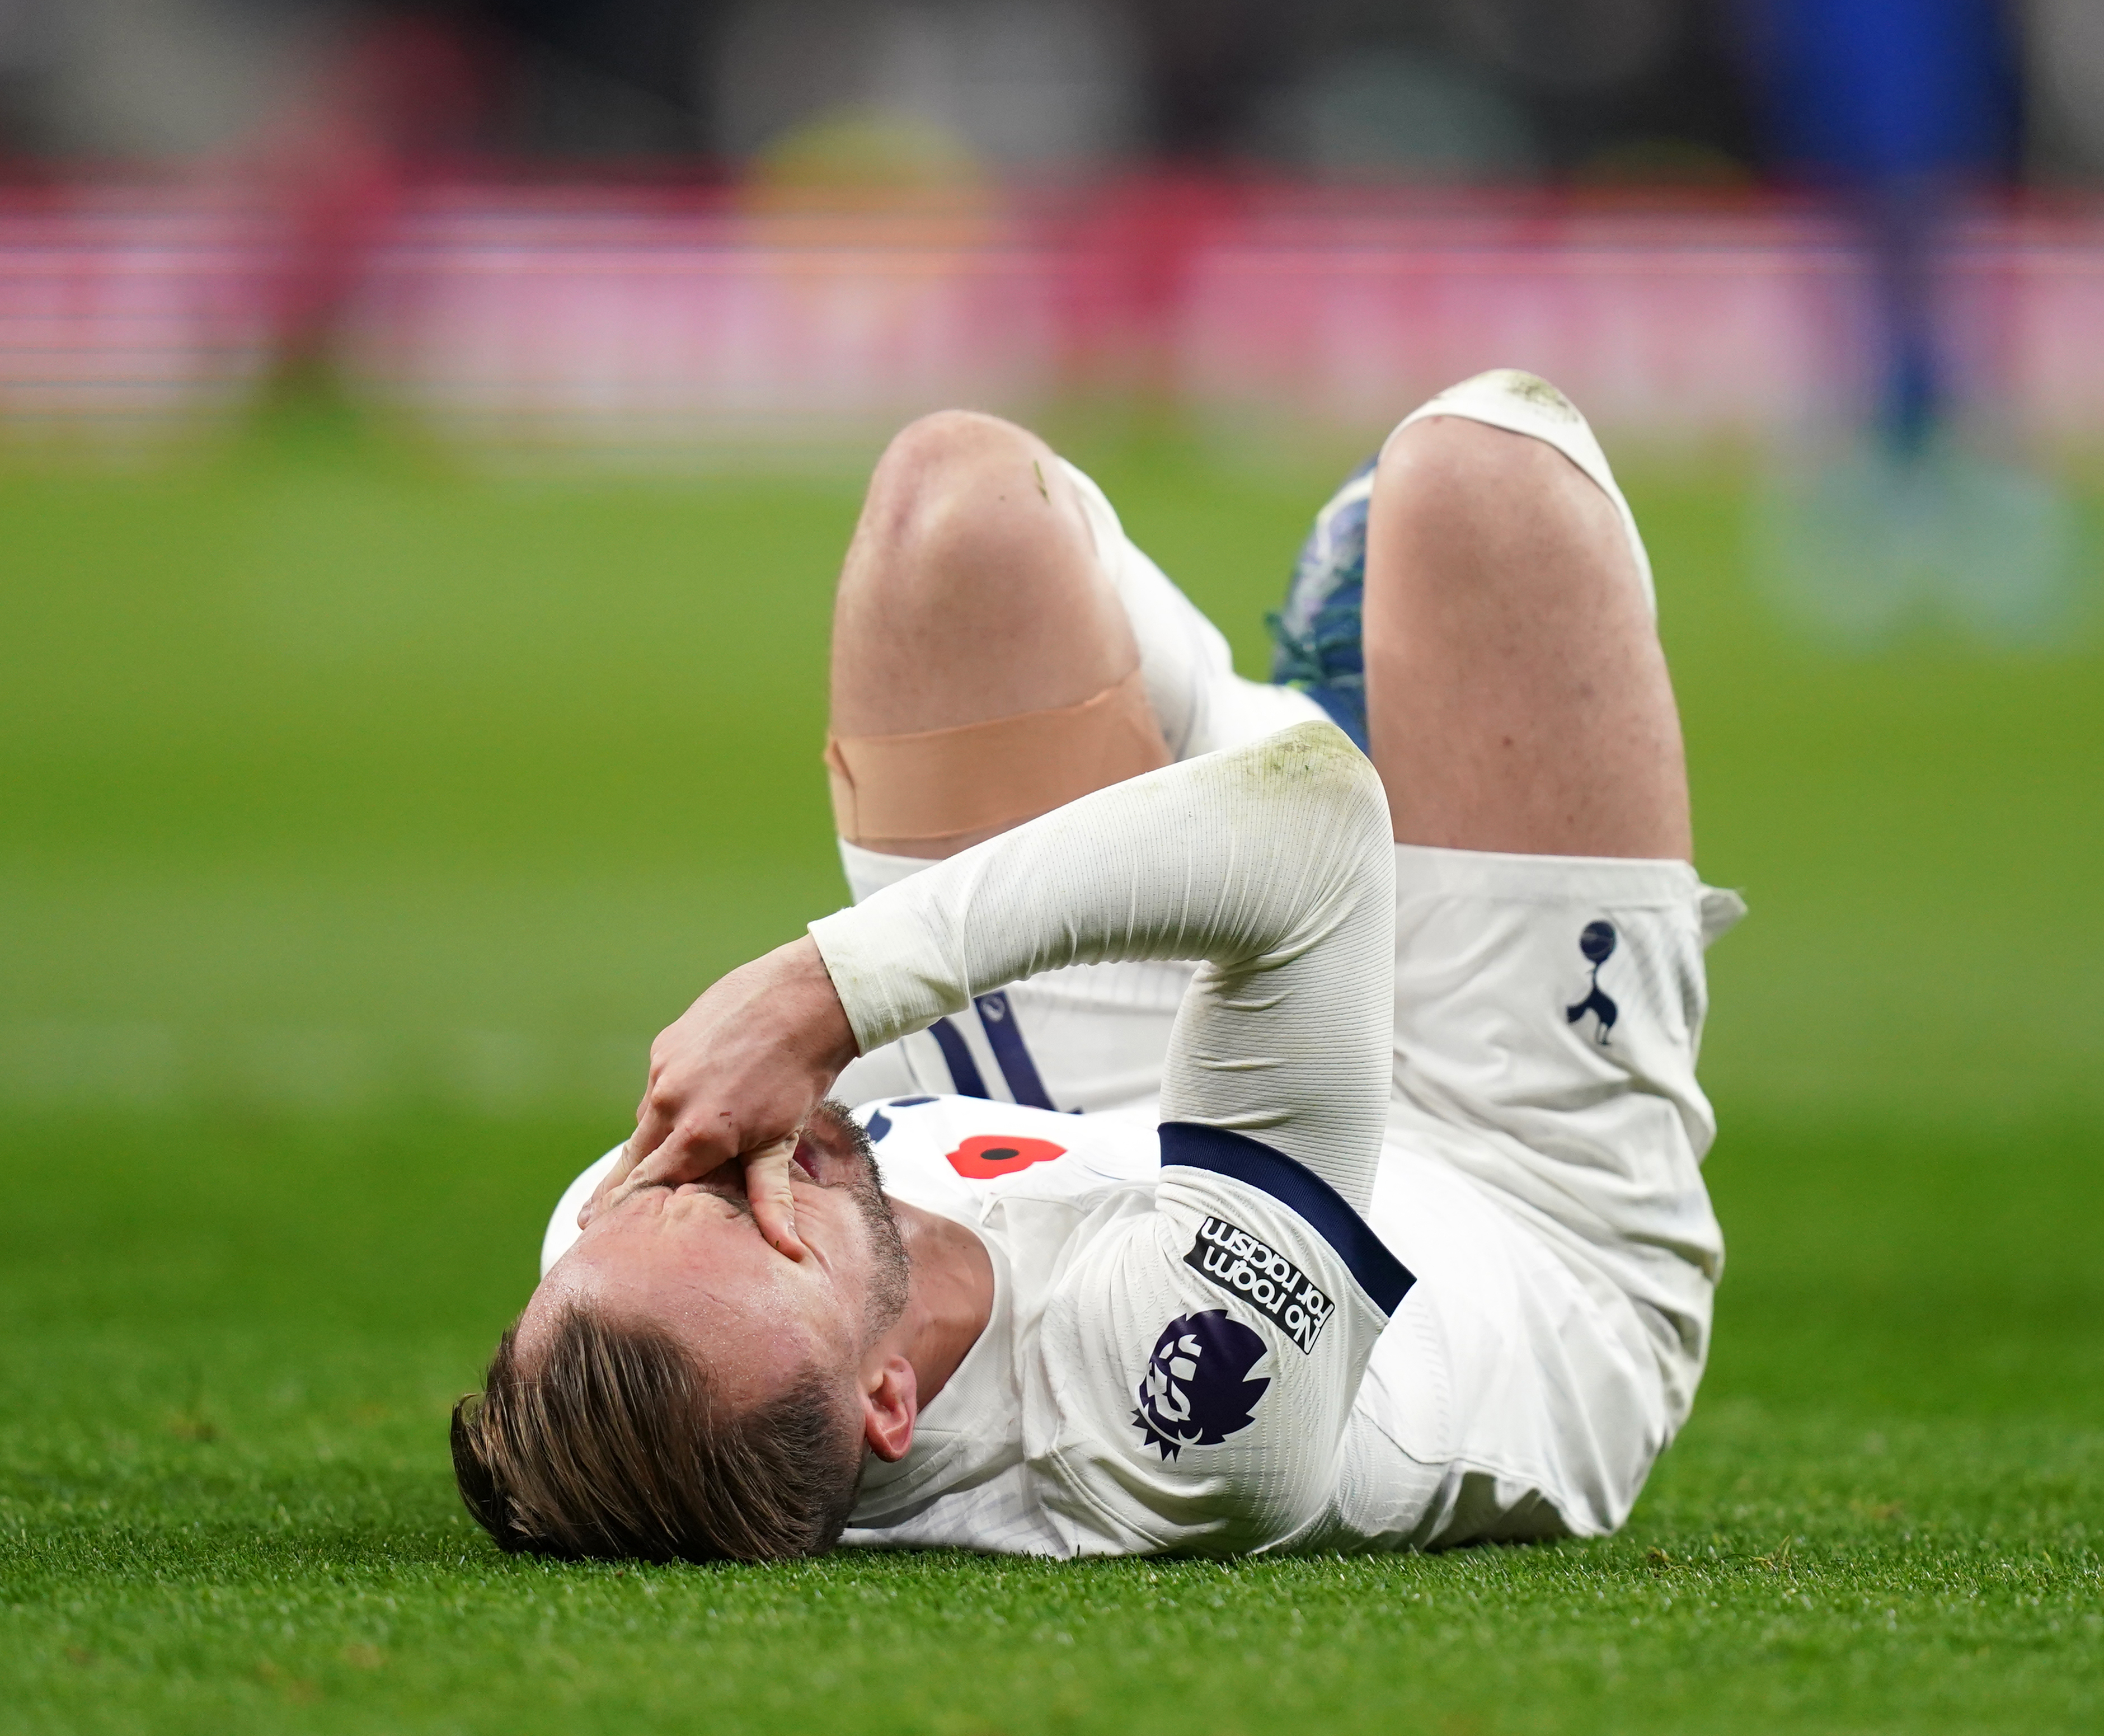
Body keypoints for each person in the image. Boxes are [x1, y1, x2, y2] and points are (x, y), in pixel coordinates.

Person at [451, 369, 1744, 1561]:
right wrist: (828, 989)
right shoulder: (1168, 1425)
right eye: (768, 1228)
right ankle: (1389, 781)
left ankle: (1337, 808)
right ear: (888, 1400)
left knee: (953, 511)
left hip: (1083, 1115)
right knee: (1487, 471)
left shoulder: (634, 1299)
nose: (749, 1158)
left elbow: (669, 1250)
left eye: (668, 1188)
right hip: (1504, 1190)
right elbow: (1317, 829)